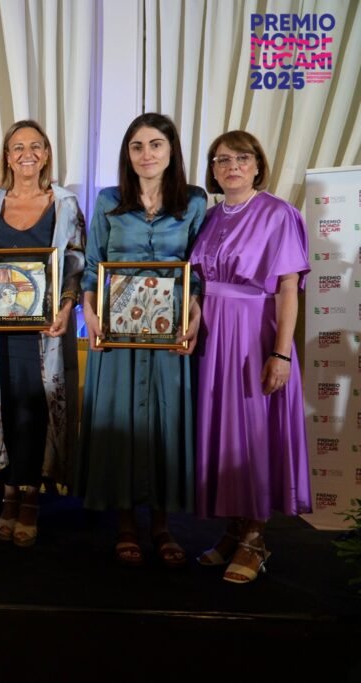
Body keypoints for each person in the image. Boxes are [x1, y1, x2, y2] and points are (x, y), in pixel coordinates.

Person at [75, 112, 207, 568]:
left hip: (169, 331)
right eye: (137, 146)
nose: (146, 154)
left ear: (171, 151)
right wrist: (89, 312)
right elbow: (93, 264)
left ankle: (163, 525)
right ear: (127, 154)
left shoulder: (194, 201)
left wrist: (195, 312)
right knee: (121, 419)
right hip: (117, 330)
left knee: (165, 421)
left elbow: (198, 269)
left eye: (155, 145)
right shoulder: (109, 200)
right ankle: (127, 524)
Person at [190, 131, 311, 584]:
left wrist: (281, 352)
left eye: (242, 158)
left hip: (254, 335)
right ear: (213, 169)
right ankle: (233, 529)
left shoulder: (279, 213)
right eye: (222, 159)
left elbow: (288, 288)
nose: (232, 166)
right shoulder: (208, 216)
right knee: (224, 435)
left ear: (258, 165)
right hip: (212, 336)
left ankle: (256, 537)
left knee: (254, 433)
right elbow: (197, 282)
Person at [0, 120, 85, 547]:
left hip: (46, 331)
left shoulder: (65, 205)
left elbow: (76, 263)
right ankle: (10, 491)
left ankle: (29, 496)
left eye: (35, 146)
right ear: (7, 157)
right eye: (18, 147)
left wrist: (67, 307)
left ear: (46, 154)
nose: (27, 154)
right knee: (7, 406)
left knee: (37, 409)